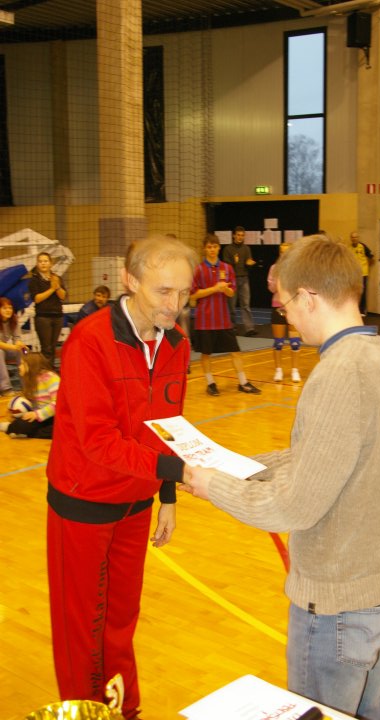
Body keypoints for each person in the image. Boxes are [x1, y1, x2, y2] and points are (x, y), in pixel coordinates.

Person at [182, 235, 380, 720]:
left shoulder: (337, 374)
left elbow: (293, 506)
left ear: (309, 297)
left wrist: (212, 486)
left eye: (286, 302)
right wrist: (241, 466)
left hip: (339, 608)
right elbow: (327, 457)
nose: (285, 313)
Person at [46, 235, 197, 720]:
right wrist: (176, 471)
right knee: (82, 629)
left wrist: (167, 495)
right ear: (130, 281)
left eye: (183, 293)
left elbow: (168, 427)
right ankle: (85, 712)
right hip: (83, 504)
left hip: (136, 504)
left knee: (121, 620)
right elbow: (98, 441)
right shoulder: (90, 340)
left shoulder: (177, 343)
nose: (175, 305)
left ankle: (123, 709)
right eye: (163, 291)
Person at [190, 234, 261, 396]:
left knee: (235, 351)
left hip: (223, 320)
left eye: (214, 246)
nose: (212, 250)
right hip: (205, 321)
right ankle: (211, 383)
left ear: (219, 248)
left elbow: (231, 293)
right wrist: (215, 289)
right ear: (204, 249)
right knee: (206, 354)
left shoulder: (227, 268)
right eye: (209, 247)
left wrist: (225, 289)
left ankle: (243, 382)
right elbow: (193, 295)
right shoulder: (198, 269)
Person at [0, 351, 59, 439]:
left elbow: (58, 403)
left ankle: (18, 431)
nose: (19, 366)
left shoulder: (50, 377)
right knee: (21, 424)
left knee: (55, 430)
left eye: (22, 364)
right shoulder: (30, 380)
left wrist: (37, 414)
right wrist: (14, 413)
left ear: (31, 365)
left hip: (54, 416)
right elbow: (29, 404)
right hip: (40, 416)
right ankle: (18, 429)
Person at [267, 244, 301, 382]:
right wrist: (278, 279)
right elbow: (271, 288)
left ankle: (295, 370)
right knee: (279, 342)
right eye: (282, 252)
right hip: (278, 306)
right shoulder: (274, 268)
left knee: (295, 341)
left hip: (293, 307)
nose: (284, 255)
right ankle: (278, 370)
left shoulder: (297, 269)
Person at [28, 251, 67, 365]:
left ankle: (51, 371)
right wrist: (52, 289)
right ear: (37, 264)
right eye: (40, 261)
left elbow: (63, 296)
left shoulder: (57, 278)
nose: (43, 263)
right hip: (43, 318)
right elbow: (37, 298)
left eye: (45, 261)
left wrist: (57, 287)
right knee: (46, 349)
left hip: (58, 316)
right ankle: (45, 371)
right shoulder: (34, 280)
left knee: (53, 347)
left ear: (51, 263)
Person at [222, 225, 257, 336]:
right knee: (231, 306)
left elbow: (248, 263)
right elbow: (226, 267)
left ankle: (249, 328)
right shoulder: (228, 249)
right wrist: (234, 261)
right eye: (238, 235)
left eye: (242, 235)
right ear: (234, 235)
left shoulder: (246, 249)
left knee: (246, 305)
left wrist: (249, 264)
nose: (240, 237)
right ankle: (231, 327)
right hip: (232, 280)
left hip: (244, 278)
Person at [0, 296, 28, 396]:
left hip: (6, 349)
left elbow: (17, 339)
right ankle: (5, 388)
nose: (8, 310)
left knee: (23, 351)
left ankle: (27, 386)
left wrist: (21, 346)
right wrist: (14, 347)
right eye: (5, 308)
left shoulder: (14, 320)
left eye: (10, 308)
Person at [349, 231, 373, 316]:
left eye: (356, 237)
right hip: (354, 273)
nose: (354, 239)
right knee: (354, 292)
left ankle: (362, 311)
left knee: (362, 292)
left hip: (363, 273)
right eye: (352, 237)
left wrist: (366, 265)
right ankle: (354, 310)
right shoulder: (349, 248)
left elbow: (371, 255)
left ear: (358, 238)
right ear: (351, 239)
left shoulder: (362, 246)